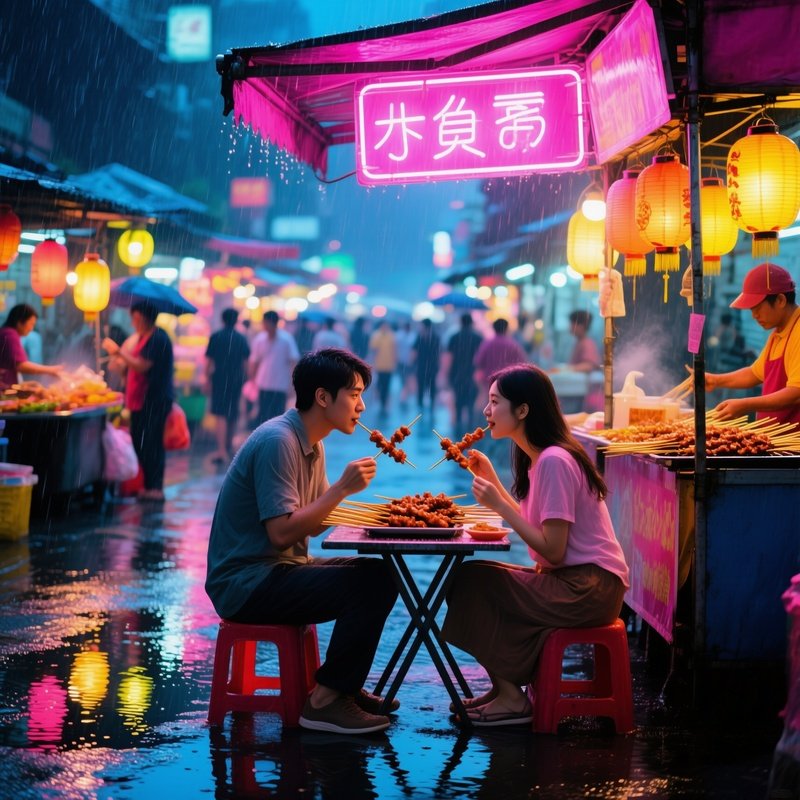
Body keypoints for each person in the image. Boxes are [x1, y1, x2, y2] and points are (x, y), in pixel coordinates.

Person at [205, 348, 399, 735]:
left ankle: (342, 688)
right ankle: (326, 702)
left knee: (380, 573)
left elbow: (315, 522)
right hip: (246, 583)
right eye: (354, 394)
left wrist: (386, 517)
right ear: (323, 397)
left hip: (278, 570)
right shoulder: (279, 441)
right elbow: (282, 533)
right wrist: (341, 489)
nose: (361, 406)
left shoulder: (312, 440)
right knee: (370, 583)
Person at [442, 364, 629, 726]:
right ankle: (506, 688)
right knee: (472, 577)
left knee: (472, 583)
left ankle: (511, 697)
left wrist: (498, 505)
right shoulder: (541, 460)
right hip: (574, 580)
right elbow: (537, 530)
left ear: (523, 410)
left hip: (589, 589)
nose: (486, 411)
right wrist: (493, 482)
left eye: (495, 402)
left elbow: (552, 550)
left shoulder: (554, 462)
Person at [705, 262, 800, 424]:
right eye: (751, 309)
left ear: (780, 300)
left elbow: (796, 393)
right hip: (772, 437)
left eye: (757, 307)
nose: (754, 315)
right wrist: (715, 380)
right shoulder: (778, 332)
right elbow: (755, 373)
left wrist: (745, 405)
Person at [102, 301, 174, 501]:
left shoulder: (158, 338)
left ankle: (155, 488)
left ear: (143, 317)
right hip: (141, 400)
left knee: (151, 443)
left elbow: (142, 366)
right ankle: (149, 486)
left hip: (154, 400)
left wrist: (118, 352)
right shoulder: (144, 337)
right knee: (141, 441)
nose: (133, 322)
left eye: (134, 318)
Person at [205, 308, 250, 463]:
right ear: (236, 320)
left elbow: (209, 361)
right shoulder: (241, 338)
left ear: (222, 319)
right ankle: (229, 447)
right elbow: (246, 362)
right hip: (236, 379)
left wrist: (206, 379)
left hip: (219, 378)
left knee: (221, 414)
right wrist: (246, 379)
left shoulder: (216, 336)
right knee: (232, 412)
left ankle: (221, 450)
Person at [249, 310, 300, 426]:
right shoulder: (260, 339)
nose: (266, 326)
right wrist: (252, 380)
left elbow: (293, 362)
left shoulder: (286, 339)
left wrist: (293, 384)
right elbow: (254, 362)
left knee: (277, 418)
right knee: (263, 416)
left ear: (275, 323)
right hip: (262, 384)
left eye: (267, 323)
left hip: (280, 386)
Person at [0, 303, 63, 390]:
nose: (31, 328)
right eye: (31, 324)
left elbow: (12, 366)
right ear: (19, 322)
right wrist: (51, 370)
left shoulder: (5, 333)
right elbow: (20, 365)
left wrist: (24, 384)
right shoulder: (10, 335)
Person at [445, 313, 483, 432]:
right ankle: (470, 426)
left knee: (458, 400)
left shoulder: (454, 337)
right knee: (471, 401)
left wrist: (446, 373)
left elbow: (449, 357)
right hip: (472, 374)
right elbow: (481, 359)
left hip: (457, 373)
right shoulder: (478, 338)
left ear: (461, 322)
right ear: (471, 323)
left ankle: (458, 424)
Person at [472, 318, 527, 395]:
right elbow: (522, 363)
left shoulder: (487, 344)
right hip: (508, 381)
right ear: (506, 329)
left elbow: (478, 361)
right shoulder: (513, 345)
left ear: (494, 328)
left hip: (489, 381)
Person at [411, 318, 441, 412]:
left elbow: (414, 352)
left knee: (421, 386)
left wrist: (412, 363)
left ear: (424, 326)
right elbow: (439, 353)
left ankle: (421, 406)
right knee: (431, 386)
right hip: (432, 366)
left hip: (422, 366)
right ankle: (431, 405)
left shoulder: (420, 337)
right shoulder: (436, 337)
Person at [367, 320, 397, 414]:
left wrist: (395, 360)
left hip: (389, 365)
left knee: (387, 385)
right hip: (379, 365)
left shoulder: (391, 335)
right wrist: (372, 363)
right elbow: (373, 350)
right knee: (380, 384)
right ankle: (381, 400)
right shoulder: (376, 335)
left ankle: (384, 402)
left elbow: (394, 349)